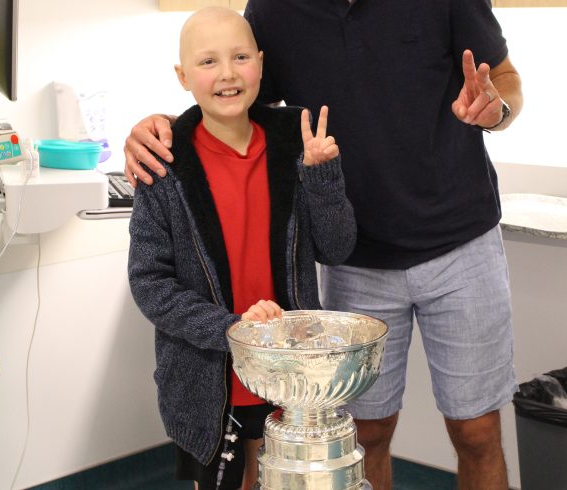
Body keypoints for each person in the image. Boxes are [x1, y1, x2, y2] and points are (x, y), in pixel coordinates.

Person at [124, 2, 523, 489]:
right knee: (361, 434)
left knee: (477, 430)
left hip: (461, 242)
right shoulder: (273, 8)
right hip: (353, 259)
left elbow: (502, 76)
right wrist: (162, 126)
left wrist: (495, 110)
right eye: (206, 62)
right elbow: (236, 100)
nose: (224, 67)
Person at [126, 7, 356, 490]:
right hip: (209, 380)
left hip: (290, 375)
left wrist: (322, 176)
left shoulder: (298, 138)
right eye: (208, 62)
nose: (227, 74)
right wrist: (232, 331)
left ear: (261, 63)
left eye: (240, 57)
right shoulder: (163, 161)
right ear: (182, 76)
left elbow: (336, 248)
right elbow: (150, 282)